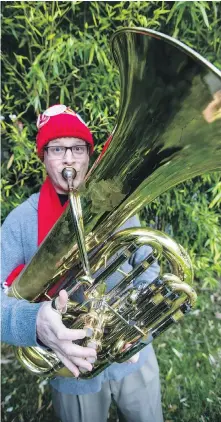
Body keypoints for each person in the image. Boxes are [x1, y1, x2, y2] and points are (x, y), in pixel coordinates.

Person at [1, 104, 164, 422]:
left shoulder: (113, 208)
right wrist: (32, 323)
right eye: (57, 148)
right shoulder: (21, 222)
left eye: (77, 147)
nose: (68, 159)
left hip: (135, 355)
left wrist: (138, 326)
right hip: (71, 373)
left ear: (89, 154)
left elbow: (150, 266)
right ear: (43, 157)